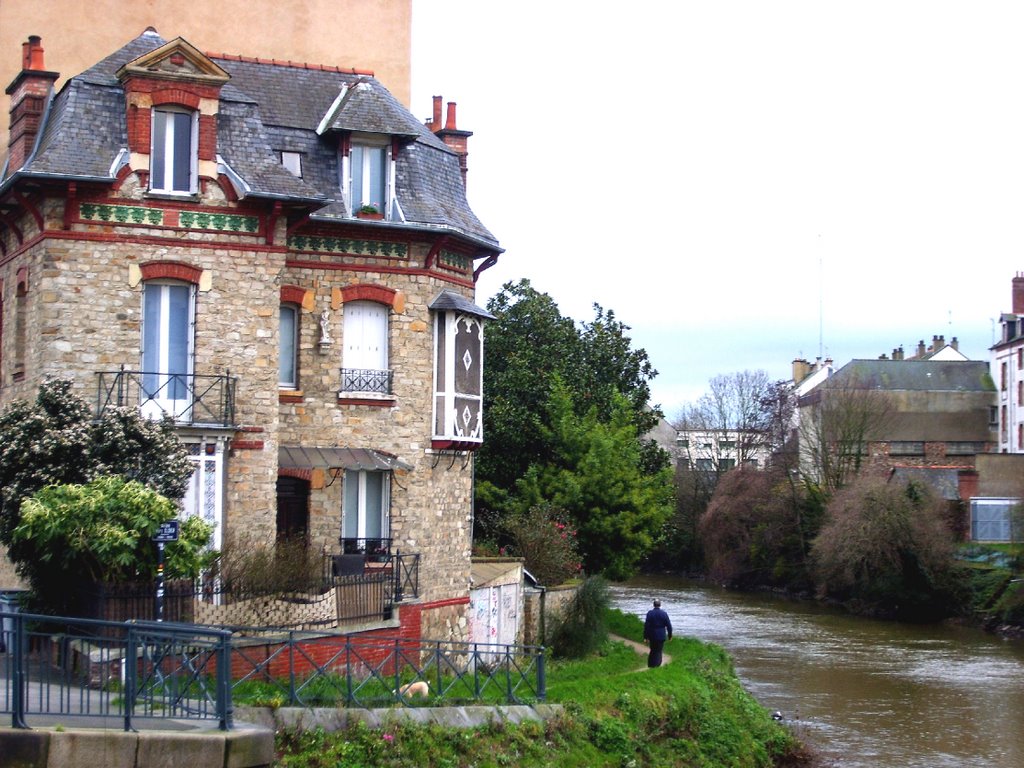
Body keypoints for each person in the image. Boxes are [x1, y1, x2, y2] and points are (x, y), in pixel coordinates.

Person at [643, 599, 672, 668]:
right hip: (661, 635)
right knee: (659, 650)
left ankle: (651, 664)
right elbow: (669, 625)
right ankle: (657, 664)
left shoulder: (650, 613)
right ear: (660, 605)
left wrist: (645, 637)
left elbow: (646, 626)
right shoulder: (664, 614)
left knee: (652, 650)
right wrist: (670, 635)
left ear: (654, 605)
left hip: (652, 635)